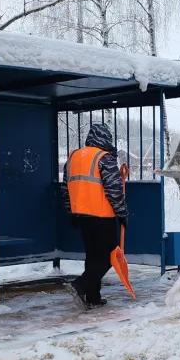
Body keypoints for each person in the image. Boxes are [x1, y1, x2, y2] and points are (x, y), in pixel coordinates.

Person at [65, 123, 127, 307]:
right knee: (108, 257)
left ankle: (93, 296)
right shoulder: (104, 158)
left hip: (81, 216)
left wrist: (71, 212)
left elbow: (65, 189)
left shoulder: (73, 158)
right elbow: (114, 190)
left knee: (92, 256)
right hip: (102, 216)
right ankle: (80, 285)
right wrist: (122, 213)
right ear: (106, 138)